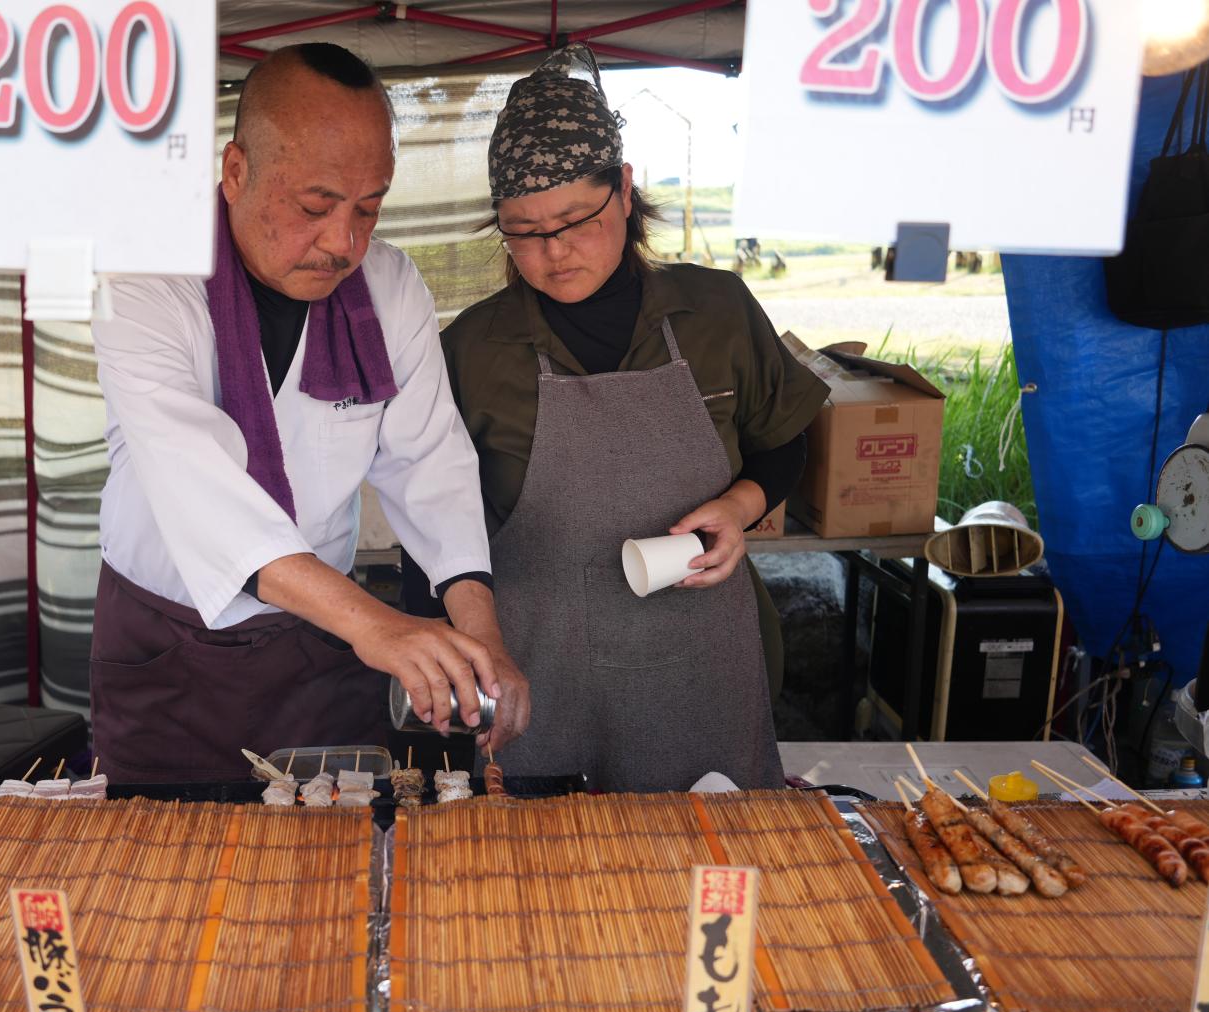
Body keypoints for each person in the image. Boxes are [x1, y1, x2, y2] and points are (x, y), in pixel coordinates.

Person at [89, 43, 530, 783]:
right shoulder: (145, 280)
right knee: (162, 877)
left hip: (321, 642)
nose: (344, 242)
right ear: (235, 172)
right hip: (168, 648)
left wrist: (480, 636)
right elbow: (205, 496)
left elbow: (432, 465)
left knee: (327, 864)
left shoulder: (387, 288)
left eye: (368, 206)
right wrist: (383, 628)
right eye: (315, 206)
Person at [438, 46, 829, 793]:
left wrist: (739, 509)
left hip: (698, 664)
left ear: (623, 190)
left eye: (574, 219)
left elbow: (785, 441)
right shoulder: (471, 350)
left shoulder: (715, 311)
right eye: (522, 230)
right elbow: (437, 521)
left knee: (697, 877)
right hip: (540, 674)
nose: (553, 253)